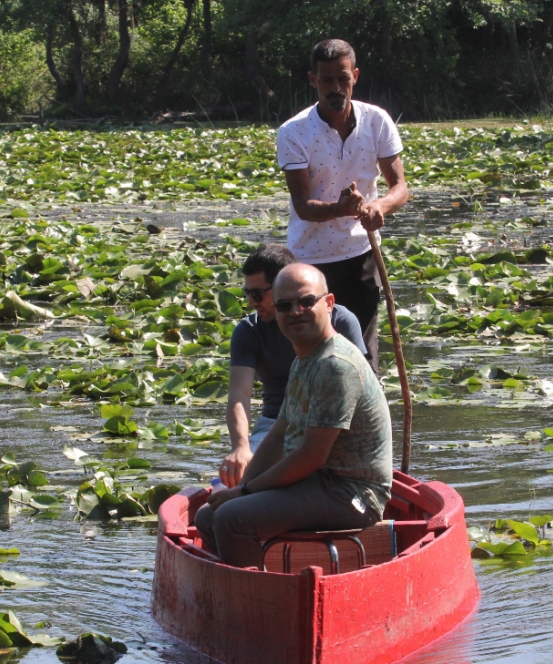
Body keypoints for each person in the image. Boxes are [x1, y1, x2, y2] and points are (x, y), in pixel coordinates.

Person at [195, 263, 393, 569]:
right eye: (285, 305)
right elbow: (279, 433)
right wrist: (241, 487)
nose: (296, 311)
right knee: (208, 517)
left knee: (233, 519)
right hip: (319, 483)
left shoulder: (335, 364)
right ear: (275, 310)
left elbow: (311, 456)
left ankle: (261, 603)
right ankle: (252, 582)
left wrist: (245, 493)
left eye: (306, 301)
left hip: (353, 494)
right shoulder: (305, 356)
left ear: (329, 303)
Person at [276, 39, 409, 373]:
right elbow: (304, 206)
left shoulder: (377, 121)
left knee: (364, 357)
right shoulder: (294, 132)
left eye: (343, 79)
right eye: (326, 80)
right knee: (315, 355)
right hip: (311, 260)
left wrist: (380, 206)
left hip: (362, 253)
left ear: (355, 76)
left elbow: (400, 187)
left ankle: (368, 420)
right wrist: (341, 208)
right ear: (312, 80)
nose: (336, 88)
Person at [220, 243, 367, 489]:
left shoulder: (340, 321)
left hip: (332, 425)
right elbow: (239, 394)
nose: (250, 302)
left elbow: (360, 389)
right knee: (224, 490)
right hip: (274, 427)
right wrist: (241, 447)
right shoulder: (249, 330)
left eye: (257, 295)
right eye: (247, 293)